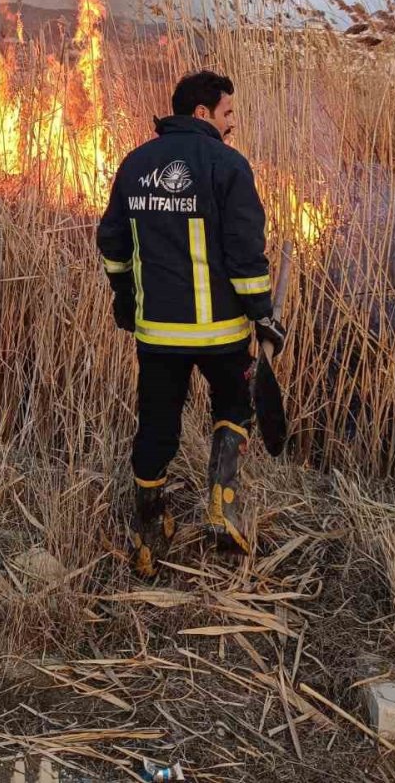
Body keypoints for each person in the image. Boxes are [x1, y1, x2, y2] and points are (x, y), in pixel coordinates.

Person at [96, 70, 285, 576]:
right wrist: (263, 313)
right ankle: (223, 504)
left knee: (157, 424)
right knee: (233, 405)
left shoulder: (135, 165)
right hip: (219, 332)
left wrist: (125, 296)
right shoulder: (227, 165)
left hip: (157, 332)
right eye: (228, 114)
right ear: (202, 114)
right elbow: (245, 254)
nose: (232, 125)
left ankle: (148, 532)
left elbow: (113, 245)